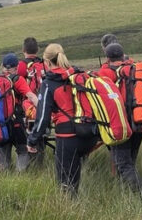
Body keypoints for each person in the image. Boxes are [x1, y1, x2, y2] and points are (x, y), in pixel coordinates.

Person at [27, 43, 99, 195]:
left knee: (65, 182)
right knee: (75, 174)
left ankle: (70, 212)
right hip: (90, 134)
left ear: (46, 62)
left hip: (67, 137)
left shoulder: (48, 83)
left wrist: (32, 140)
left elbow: (42, 118)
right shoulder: (78, 75)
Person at [98, 41, 142, 195]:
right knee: (130, 161)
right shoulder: (136, 69)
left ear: (107, 58)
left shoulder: (106, 73)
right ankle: (125, 193)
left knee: (123, 164)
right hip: (140, 122)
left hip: (121, 124)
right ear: (123, 55)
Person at [0, 53, 34, 171]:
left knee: (2, 156)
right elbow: (30, 96)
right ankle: (20, 176)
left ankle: (5, 178)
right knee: (23, 150)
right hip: (16, 123)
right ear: (17, 67)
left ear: (2, 66)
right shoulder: (18, 79)